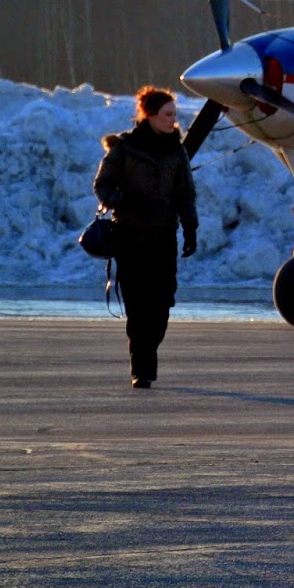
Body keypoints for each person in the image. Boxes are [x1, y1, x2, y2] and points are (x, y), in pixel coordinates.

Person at [94, 86, 198, 388]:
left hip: (165, 236)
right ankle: (142, 369)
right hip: (130, 236)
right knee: (138, 306)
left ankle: (147, 351)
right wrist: (123, 200)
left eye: (174, 115)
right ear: (150, 116)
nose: (173, 120)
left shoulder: (176, 151)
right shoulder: (124, 149)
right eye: (167, 115)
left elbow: (185, 193)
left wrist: (191, 228)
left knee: (162, 303)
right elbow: (102, 186)